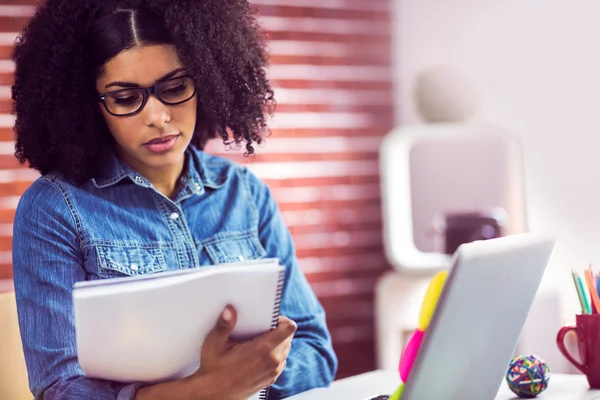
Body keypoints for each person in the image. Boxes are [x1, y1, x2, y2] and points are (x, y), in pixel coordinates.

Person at [10, 1, 338, 399]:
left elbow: (315, 352)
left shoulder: (245, 195)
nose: (159, 116)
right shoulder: (55, 210)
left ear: (208, 78)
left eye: (176, 87)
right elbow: (60, 389)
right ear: (89, 107)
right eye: (126, 98)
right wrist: (210, 389)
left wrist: (247, 382)